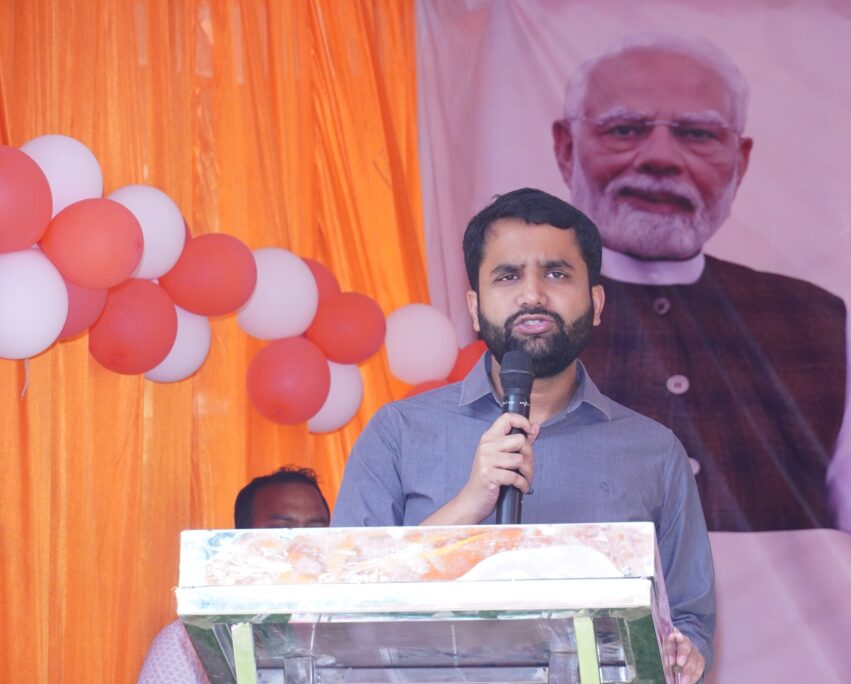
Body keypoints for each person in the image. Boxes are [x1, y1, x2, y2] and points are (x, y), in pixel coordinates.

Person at [550, 34, 851, 538]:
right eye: (624, 129)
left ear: (741, 161)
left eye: (698, 134)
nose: (661, 157)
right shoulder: (509, 315)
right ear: (566, 149)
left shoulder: (818, 325)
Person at [333, 188, 714, 683]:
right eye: (508, 275)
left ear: (596, 302)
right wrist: (468, 505)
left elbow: (688, 619)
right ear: (474, 309)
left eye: (556, 273)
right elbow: (341, 601)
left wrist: (684, 652)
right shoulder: (398, 433)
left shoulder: (654, 452)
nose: (533, 295)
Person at [137, 466, 332, 684]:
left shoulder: (353, 628)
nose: (302, 544)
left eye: (316, 529)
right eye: (281, 530)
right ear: (242, 541)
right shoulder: (188, 641)